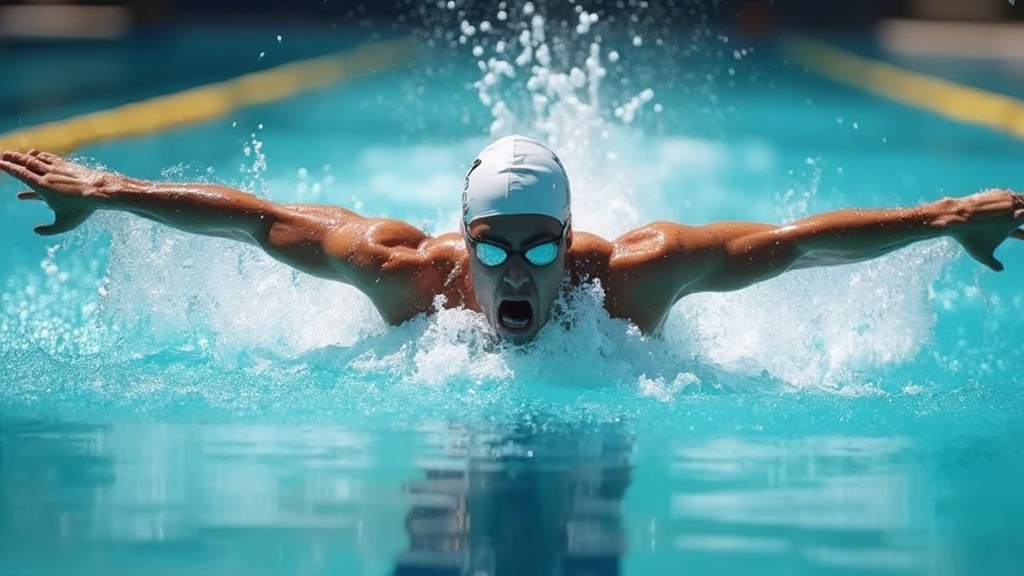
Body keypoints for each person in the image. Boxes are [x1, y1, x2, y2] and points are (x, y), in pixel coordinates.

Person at [2, 135, 1022, 344]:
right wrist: (114, 190)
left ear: (573, 238)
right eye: (494, 247)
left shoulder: (630, 282)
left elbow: (791, 244)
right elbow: (250, 217)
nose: (518, 273)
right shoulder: (408, 278)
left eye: (542, 247)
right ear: (462, 239)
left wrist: (939, 222)